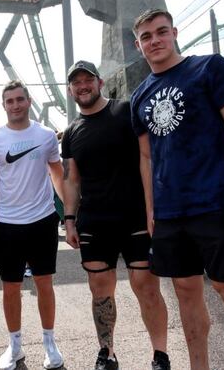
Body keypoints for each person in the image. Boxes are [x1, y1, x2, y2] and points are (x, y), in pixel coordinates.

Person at [130, 8, 224, 370]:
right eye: (146, 36)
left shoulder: (209, 68)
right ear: (138, 45)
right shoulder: (139, 96)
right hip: (169, 213)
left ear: (174, 33)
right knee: (185, 293)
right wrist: (151, 210)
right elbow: (146, 158)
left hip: (214, 202)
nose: (155, 41)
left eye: (161, 32)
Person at [61, 60, 170, 370]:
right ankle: (106, 353)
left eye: (88, 80)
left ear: (99, 82)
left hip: (136, 216)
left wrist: (153, 208)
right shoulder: (71, 132)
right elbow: (71, 180)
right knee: (100, 290)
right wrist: (69, 220)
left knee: (146, 286)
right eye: (76, 82)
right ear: (71, 90)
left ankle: (160, 354)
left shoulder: (126, 111)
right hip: (94, 221)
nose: (83, 86)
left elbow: (148, 158)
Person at [0, 80, 66, 370]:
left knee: (44, 283)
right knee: (10, 287)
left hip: (42, 220)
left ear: (28, 101)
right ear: (3, 105)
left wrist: (69, 214)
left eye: (19, 99)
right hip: (7, 224)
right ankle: (15, 346)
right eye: (10, 101)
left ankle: (49, 343)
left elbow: (57, 175)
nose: (15, 105)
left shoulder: (46, 135)